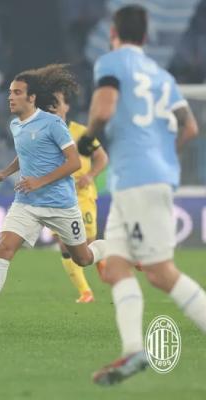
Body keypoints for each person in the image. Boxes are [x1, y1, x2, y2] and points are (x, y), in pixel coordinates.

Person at [76, 5, 205, 385]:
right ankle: (133, 350)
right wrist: (163, 156)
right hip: (142, 178)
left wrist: (88, 137)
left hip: (137, 179)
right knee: (116, 266)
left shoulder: (111, 62)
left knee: (160, 273)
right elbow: (190, 128)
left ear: (113, 33)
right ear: (146, 37)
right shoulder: (162, 75)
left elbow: (104, 107)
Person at [0, 70, 107, 328]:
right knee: (4, 247)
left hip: (61, 204)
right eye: (9, 93)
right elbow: (25, 153)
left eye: (17, 92)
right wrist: (4, 173)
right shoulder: (15, 125)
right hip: (27, 202)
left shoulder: (53, 124)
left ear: (32, 97)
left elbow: (73, 163)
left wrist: (40, 181)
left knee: (83, 258)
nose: (10, 97)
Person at [35, 64, 109, 303]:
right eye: (50, 103)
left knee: (86, 245)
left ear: (66, 106)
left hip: (83, 194)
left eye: (58, 102)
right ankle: (85, 292)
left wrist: (90, 175)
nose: (53, 107)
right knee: (65, 245)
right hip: (59, 198)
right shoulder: (44, 135)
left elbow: (102, 158)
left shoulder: (81, 132)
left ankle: (103, 256)